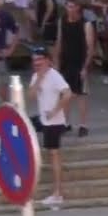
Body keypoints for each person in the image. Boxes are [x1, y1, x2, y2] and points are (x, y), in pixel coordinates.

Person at [29, 47, 72, 206]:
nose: (37, 63)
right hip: (43, 119)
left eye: (40, 59)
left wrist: (55, 110)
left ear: (47, 60)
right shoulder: (36, 76)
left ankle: (58, 192)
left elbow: (68, 93)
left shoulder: (55, 76)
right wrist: (39, 78)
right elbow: (32, 96)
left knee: (54, 155)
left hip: (54, 121)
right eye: (35, 60)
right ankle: (55, 191)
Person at [53, 0, 95, 138]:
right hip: (66, 62)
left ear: (78, 7)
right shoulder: (62, 21)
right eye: (68, 6)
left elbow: (90, 48)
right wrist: (56, 62)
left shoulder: (86, 24)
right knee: (65, 94)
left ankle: (83, 125)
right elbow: (59, 41)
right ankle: (65, 123)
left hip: (79, 62)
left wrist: (85, 67)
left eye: (73, 6)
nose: (70, 9)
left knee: (81, 95)